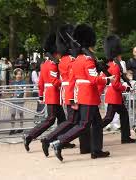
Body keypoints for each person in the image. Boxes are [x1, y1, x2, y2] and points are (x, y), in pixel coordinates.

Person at [51, 24, 113, 161]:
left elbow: (72, 81)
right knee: (84, 124)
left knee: (96, 124)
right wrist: (107, 79)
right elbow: (93, 79)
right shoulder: (88, 60)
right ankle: (59, 142)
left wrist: (72, 98)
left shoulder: (77, 60)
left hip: (81, 96)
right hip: (88, 96)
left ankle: (96, 150)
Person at [23, 32, 67, 152]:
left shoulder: (45, 64)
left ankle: (62, 140)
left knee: (62, 120)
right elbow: (54, 81)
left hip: (51, 94)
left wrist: (41, 94)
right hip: (53, 94)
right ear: (55, 52)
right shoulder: (52, 65)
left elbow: (41, 82)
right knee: (51, 119)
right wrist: (65, 83)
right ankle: (29, 135)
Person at [40, 24, 78, 157]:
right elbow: (61, 80)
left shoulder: (60, 61)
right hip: (69, 93)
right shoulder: (64, 61)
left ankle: (60, 141)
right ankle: (51, 140)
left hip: (67, 93)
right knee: (70, 121)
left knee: (71, 121)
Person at [101, 35, 136, 144]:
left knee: (124, 114)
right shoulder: (115, 67)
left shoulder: (111, 65)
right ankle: (94, 129)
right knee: (108, 118)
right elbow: (116, 85)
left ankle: (125, 137)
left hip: (115, 96)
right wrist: (126, 87)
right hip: (114, 96)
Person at [9, 68, 26, 135]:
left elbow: (25, 91)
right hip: (14, 100)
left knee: (20, 113)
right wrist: (11, 94)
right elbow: (10, 91)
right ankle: (12, 128)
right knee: (13, 114)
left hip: (20, 99)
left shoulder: (23, 82)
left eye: (20, 74)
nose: (19, 75)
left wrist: (24, 98)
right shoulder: (13, 82)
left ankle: (21, 127)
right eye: (17, 74)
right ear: (15, 75)